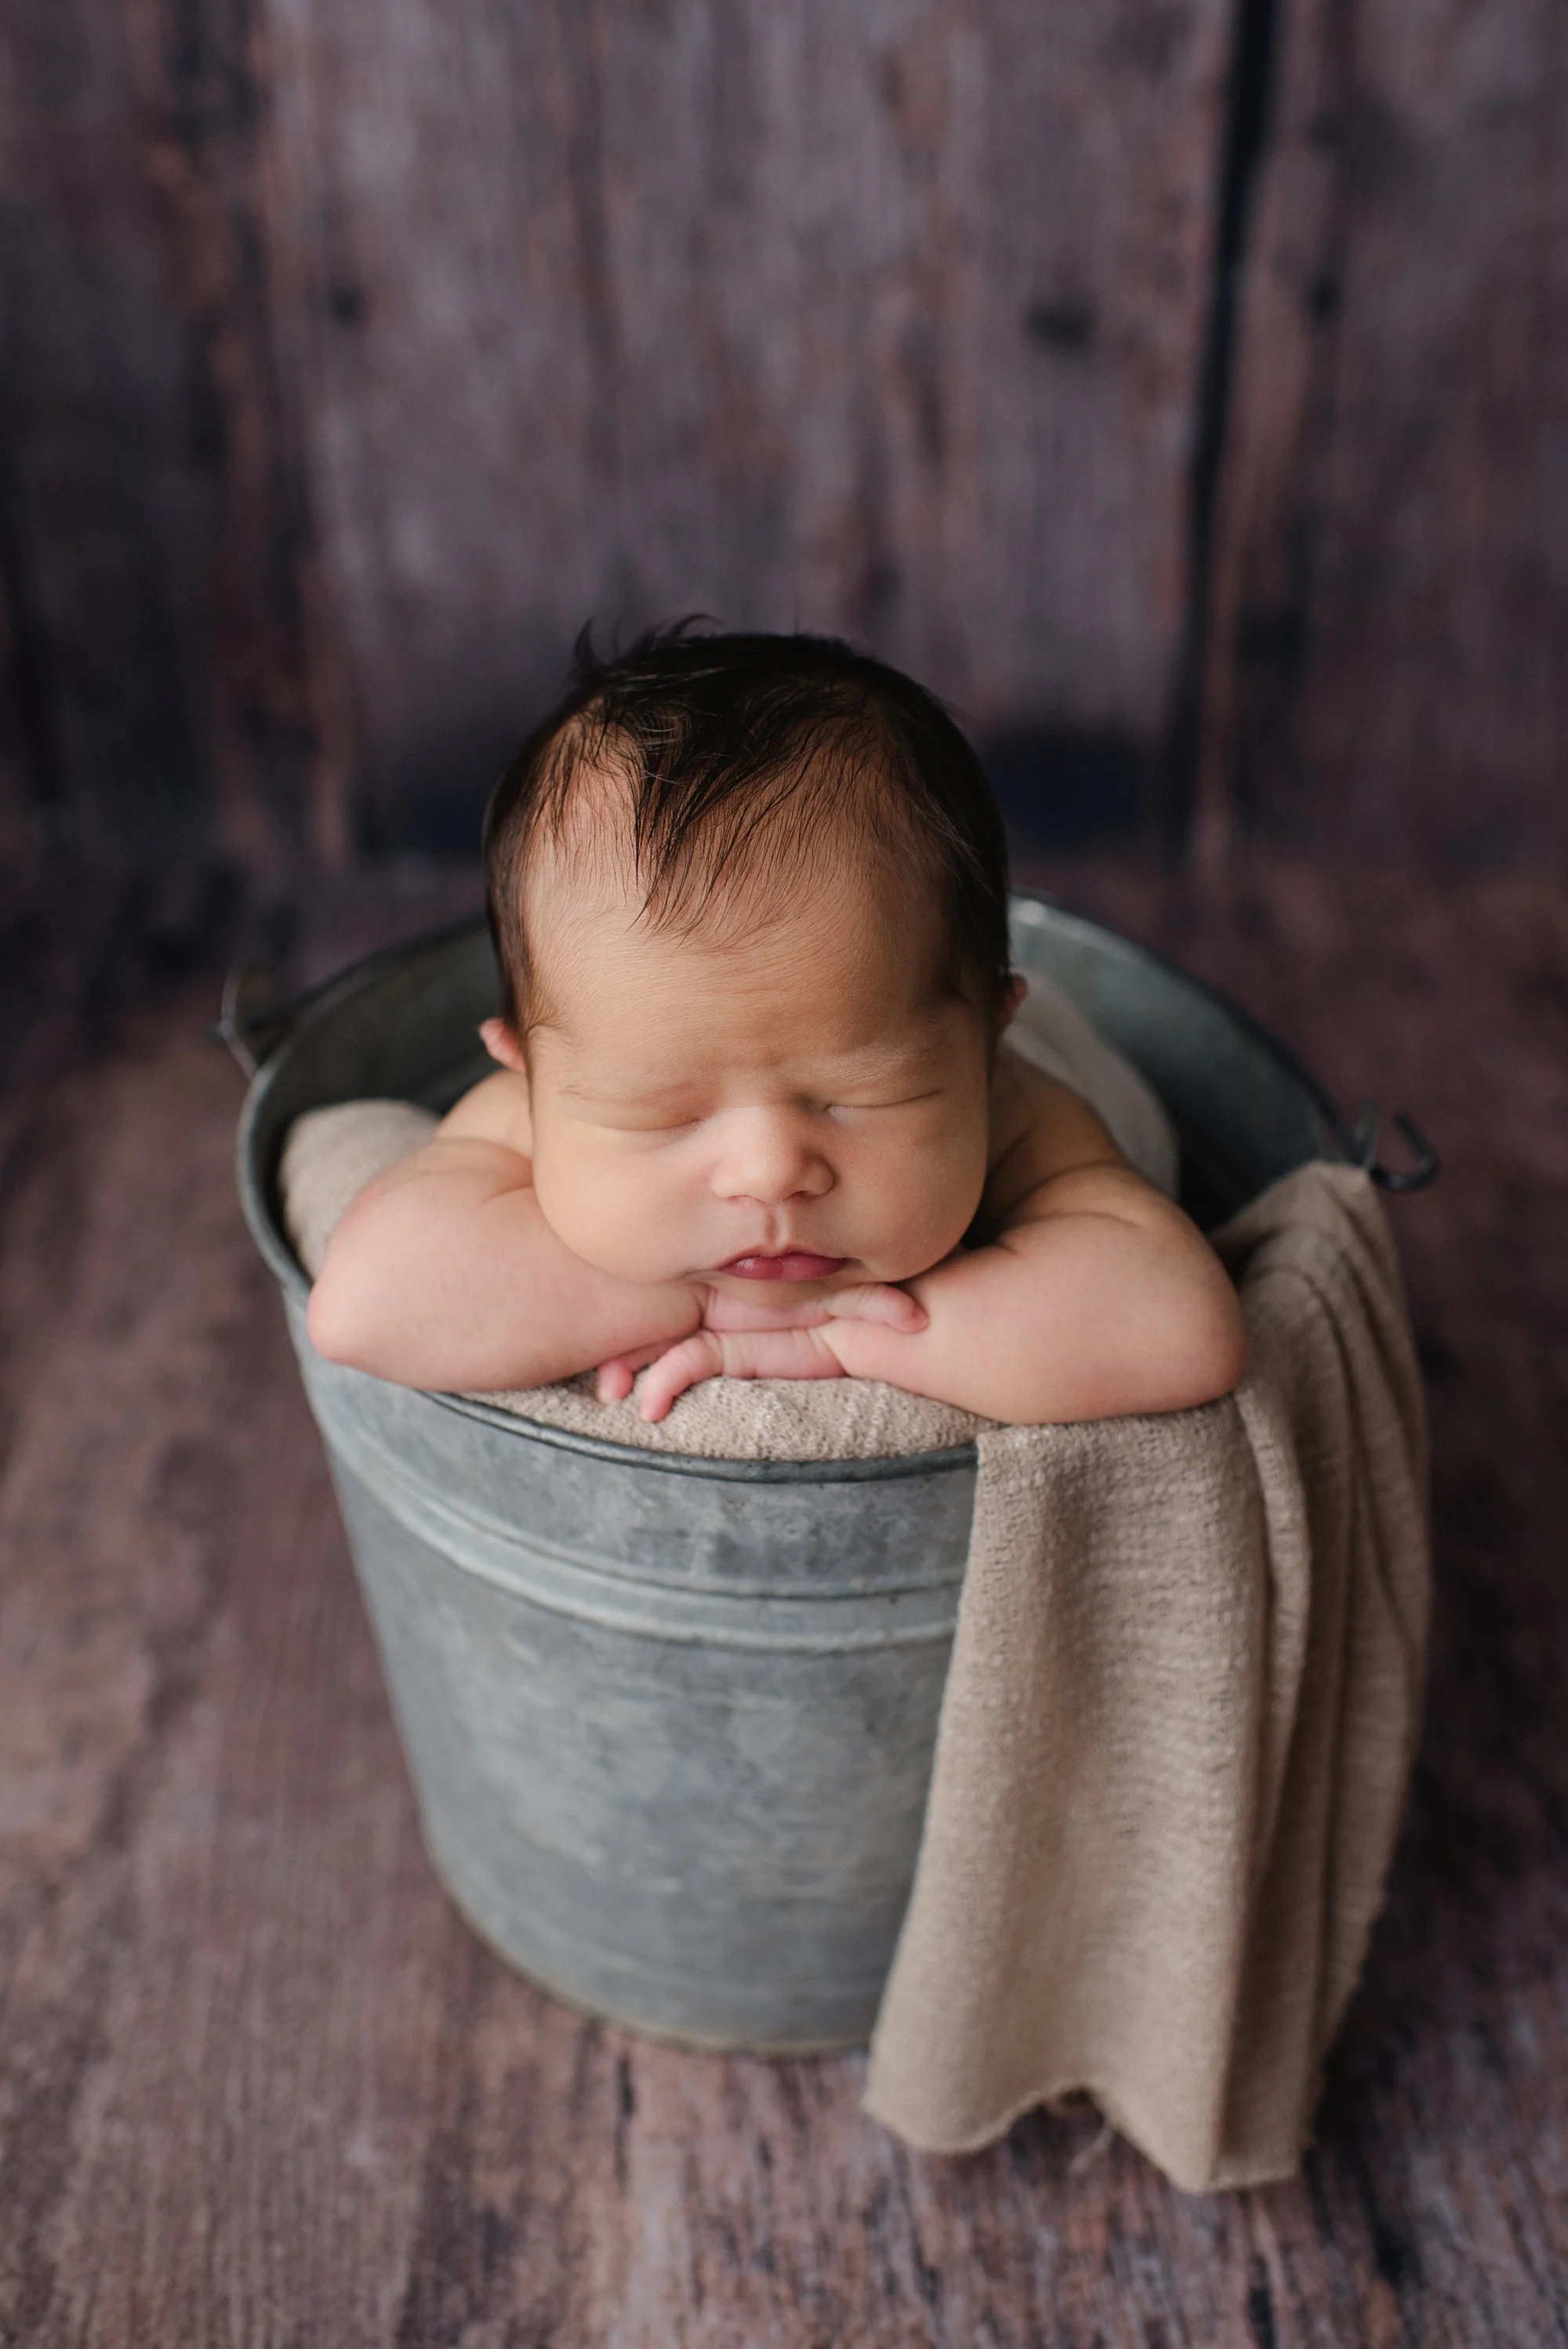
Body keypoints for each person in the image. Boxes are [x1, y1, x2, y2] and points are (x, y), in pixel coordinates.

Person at [307, 626, 1245, 1425]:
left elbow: (1178, 1328)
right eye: (665, 1112)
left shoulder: (1017, 1106)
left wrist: (839, 1337)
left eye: (857, 1094)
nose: (768, 1172)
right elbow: (364, 1304)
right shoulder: (545, 1101)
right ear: (525, 1071)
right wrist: (686, 1297)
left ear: (984, 1044)